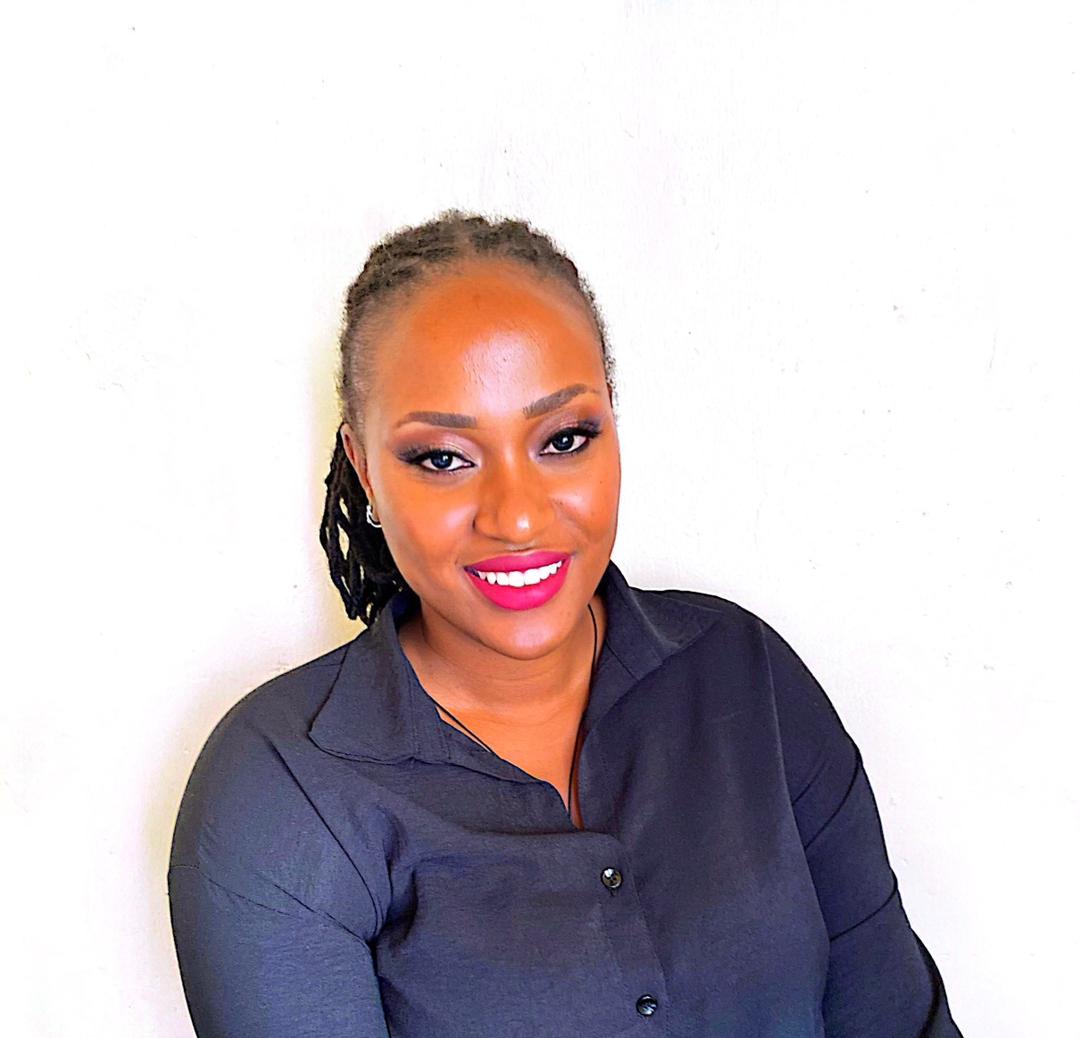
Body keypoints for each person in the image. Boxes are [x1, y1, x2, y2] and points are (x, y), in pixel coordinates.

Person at [167, 210, 964, 1037]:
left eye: (563, 439)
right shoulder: (283, 793)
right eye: (443, 458)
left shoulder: (746, 677)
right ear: (365, 471)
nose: (517, 517)